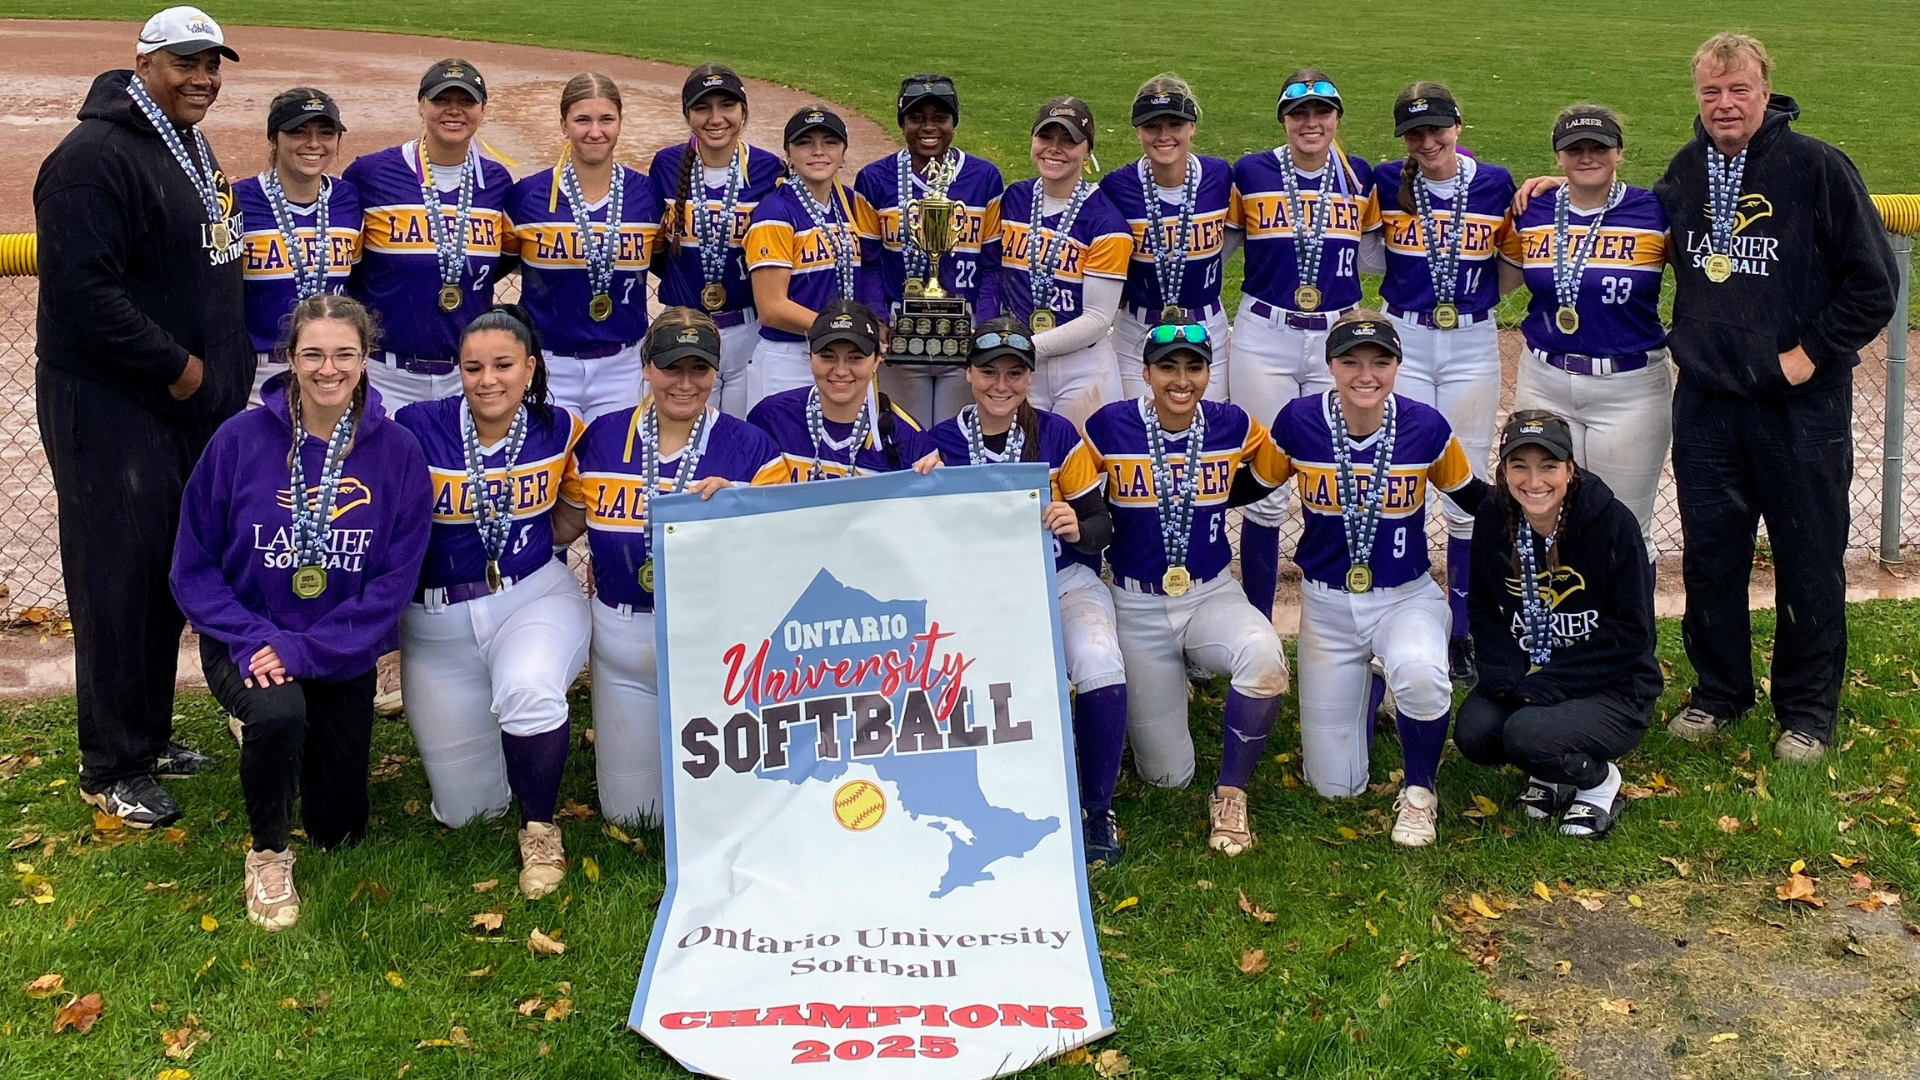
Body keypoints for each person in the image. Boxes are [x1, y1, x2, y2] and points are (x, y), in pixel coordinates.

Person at [34, 7, 251, 827]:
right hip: (111, 403)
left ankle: (149, 737)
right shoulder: (92, 158)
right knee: (114, 580)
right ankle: (111, 764)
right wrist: (181, 367)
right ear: (144, 63)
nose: (204, 78)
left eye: (213, 64)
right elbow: (83, 296)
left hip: (172, 406)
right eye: (187, 63)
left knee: (164, 572)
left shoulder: (182, 141)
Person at [1652, 34, 1896, 762]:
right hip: (1709, 402)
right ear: (1697, 97)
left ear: (1766, 92)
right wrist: (1555, 188)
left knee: (1809, 556)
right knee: (1711, 556)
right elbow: (1626, 221)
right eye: (1711, 91)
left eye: (1739, 89)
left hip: (1800, 405)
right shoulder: (1687, 169)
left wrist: (1808, 354)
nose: (1724, 104)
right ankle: (1719, 692)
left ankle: (1807, 711)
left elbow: (1874, 285)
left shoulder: (1817, 166)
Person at [171, 294, 430, 929]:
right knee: (278, 710)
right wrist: (254, 637)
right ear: (290, 358)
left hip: (338, 647)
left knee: (339, 829)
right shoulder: (238, 441)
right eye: (312, 354)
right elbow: (193, 566)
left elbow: (393, 585)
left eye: (344, 354)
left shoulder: (397, 452)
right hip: (249, 639)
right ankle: (267, 855)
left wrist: (305, 650)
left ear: (365, 360)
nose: (328, 369)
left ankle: (291, 740)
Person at [557, 309, 787, 825]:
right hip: (621, 635)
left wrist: (741, 509)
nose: (685, 383)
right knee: (633, 815)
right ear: (646, 367)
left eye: (699, 369)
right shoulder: (601, 438)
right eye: (671, 368)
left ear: (715, 371)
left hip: (714, 639)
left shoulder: (751, 447)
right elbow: (565, 525)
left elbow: (778, 554)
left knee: (725, 810)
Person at [1267, 312, 1485, 846]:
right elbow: (1248, 487)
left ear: (1397, 365)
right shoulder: (1298, 421)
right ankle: (1376, 683)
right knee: (1334, 786)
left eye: (1380, 362)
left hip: (1404, 597)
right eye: (1351, 362)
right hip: (1326, 606)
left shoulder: (1425, 426)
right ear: (1330, 365)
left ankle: (1420, 793)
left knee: (1422, 675)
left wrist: (1552, 511)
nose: (1366, 375)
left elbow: (1474, 499)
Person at [393, 306, 589, 899]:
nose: (487, 380)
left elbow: (573, 512)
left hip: (531, 595)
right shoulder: (416, 425)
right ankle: (512, 754)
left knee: (528, 687)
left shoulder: (561, 426)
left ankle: (540, 828)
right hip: (436, 621)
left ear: (529, 368)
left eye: (503, 365)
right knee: (466, 812)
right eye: (473, 367)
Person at [1080, 323, 1290, 856]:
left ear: (1208, 373)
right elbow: (1078, 493)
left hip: (1209, 593)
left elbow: (1269, 471)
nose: (1181, 380)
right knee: (1167, 776)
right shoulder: (1109, 426)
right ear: (1146, 373)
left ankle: (1231, 794)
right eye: (1168, 367)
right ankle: (1172, 686)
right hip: (1136, 602)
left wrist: (1208, 497)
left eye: (1194, 367)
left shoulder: (1232, 424)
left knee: (1264, 656)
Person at [926, 318, 1125, 864]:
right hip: (974, 592)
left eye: (1014, 373)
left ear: (1029, 379)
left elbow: (1102, 525)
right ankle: (987, 795)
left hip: (1059, 578)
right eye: (988, 371)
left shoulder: (1056, 434)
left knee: (1098, 657)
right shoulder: (940, 442)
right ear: (968, 374)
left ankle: (1097, 808)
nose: (1001, 385)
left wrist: (1076, 526)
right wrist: (919, 490)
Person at [1371, 82, 1518, 685]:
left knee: (1467, 484)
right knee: (1396, 472)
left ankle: (1463, 631)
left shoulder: (1495, 182)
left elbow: (1513, 262)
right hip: (1404, 337)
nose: (1427, 141)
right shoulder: (1386, 180)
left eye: (1437, 128)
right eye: (1414, 133)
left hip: (1471, 342)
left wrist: (1474, 303)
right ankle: (1392, 612)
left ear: (1458, 125)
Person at [1455, 411, 1659, 838]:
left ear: (1570, 469)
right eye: (1519, 466)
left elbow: (1632, 632)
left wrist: (1547, 687)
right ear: (1503, 471)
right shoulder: (1493, 517)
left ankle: (1599, 784)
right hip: (1534, 676)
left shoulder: (1612, 523)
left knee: (1527, 734)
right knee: (1476, 733)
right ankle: (1549, 775)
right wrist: (1505, 678)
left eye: (1548, 466)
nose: (1534, 481)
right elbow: (1484, 609)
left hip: (1614, 685)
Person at [1228, 68, 1381, 622]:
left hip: (1337, 338)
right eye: (1298, 113)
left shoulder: (1359, 176)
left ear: (1337, 118)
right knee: (1265, 485)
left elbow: (1375, 255)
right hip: (1264, 334)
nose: (1310, 122)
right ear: (1284, 120)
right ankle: (1259, 621)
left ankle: (1335, 616)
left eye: (1322, 111)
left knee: (1335, 477)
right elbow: (1220, 246)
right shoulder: (1251, 171)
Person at [1496, 106, 1671, 554]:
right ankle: (1554, 604)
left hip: (1629, 387)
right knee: (1543, 518)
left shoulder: (1654, 210)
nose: (1587, 156)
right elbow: (1500, 281)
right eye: (1575, 149)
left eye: (1599, 147)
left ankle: (1630, 605)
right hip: (1545, 380)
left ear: (1619, 153)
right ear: (1558, 156)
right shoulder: (1533, 209)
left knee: (1626, 528)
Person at [344, 58, 516, 408]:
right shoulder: (370, 174)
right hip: (384, 374)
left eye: (466, 101)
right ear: (421, 105)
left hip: (466, 376)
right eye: (441, 100)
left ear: (482, 110)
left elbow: (500, 262)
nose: (454, 110)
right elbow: (347, 263)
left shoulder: (496, 182)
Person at [507, 73, 664, 422]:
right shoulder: (527, 197)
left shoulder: (648, 195)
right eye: (582, 120)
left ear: (620, 122)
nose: (595, 132)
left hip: (624, 366)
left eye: (606, 119)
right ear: (563, 124)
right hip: (547, 364)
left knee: (615, 452)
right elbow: (497, 263)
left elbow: (663, 259)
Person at [854, 74, 1005, 428]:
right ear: (902, 122)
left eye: (940, 117)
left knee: (958, 439)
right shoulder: (874, 179)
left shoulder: (984, 177)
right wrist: (878, 319)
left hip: (964, 333)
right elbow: (869, 263)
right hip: (902, 333)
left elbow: (993, 265)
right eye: (916, 118)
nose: (928, 127)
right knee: (907, 440)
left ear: (954, 121)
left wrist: (984, 325)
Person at [991, 96, 1134, 428]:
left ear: (1087, 151)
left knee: (1081, 458)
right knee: (1018, 457)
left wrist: (1023, 347)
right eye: (1045, 136)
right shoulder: (1012, 199)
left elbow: (1098, 319)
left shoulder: (1106, 222)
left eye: (1068, 140)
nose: (1054, 148)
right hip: (1018, 362)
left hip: (1081, 365)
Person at [651, 64, 784, 418]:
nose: (715, 118)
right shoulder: (666, 164)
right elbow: (658, 250)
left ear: (744, 110)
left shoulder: (768, 168)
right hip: (684, 329)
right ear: (687, 115)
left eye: (727, 105)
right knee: (685, 434)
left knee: (742, 434)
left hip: (749, 329)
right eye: (702, 108)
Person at [1100, 74, 1234, 401]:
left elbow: (1237, 233)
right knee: (1138, 425)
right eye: (1151, 127)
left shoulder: (1220, 176)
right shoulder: (1116, 187)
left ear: (1192, 127)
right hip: (1137, 332)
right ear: (1138, 131)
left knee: (1207, 425)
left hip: (1206, 325)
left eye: (1175, 124)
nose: (1163, 136)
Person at [235, 87, 360, 407]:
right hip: (258, 372)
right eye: (298, 132)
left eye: (325, 133)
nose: (314, 143)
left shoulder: (349, 199)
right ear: (274, 138)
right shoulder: (236, 202)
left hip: (330, 371)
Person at [744, 105, 863, 408]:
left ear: (843, 152)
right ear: (788, 153)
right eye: (805, 142)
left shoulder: (850, 203)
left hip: (840, 355)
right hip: (788, 358)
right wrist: (842, 330)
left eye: (830, 142)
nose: (818, 151)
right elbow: (771, 308)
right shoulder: (775, 210)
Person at [747, 298, 936, 479]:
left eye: (855, 358)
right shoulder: (771, 418)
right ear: (810, 357)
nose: (841, 371)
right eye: (828, 357)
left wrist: (936, 481)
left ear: (877, 360)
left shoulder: (908, 437)